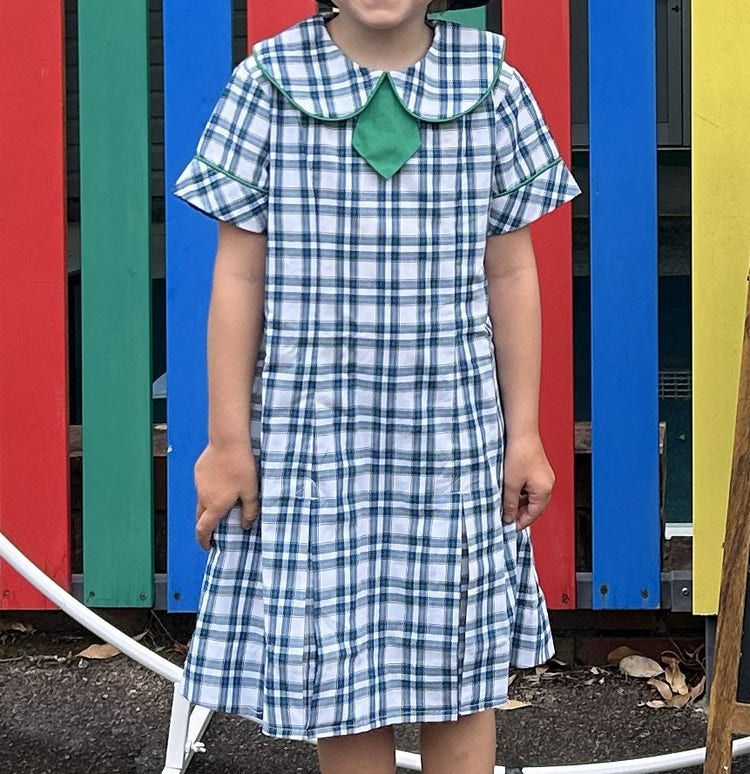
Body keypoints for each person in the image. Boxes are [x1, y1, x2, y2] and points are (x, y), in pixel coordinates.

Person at [172, 0, 581, 771]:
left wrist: (522, 434)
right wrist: (228, 441)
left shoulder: (490, 83)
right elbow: (238, 273)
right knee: (341, 667)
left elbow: (512, 268)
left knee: (458, 671)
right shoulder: (268, 81)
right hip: (315, 443)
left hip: (453, 441)